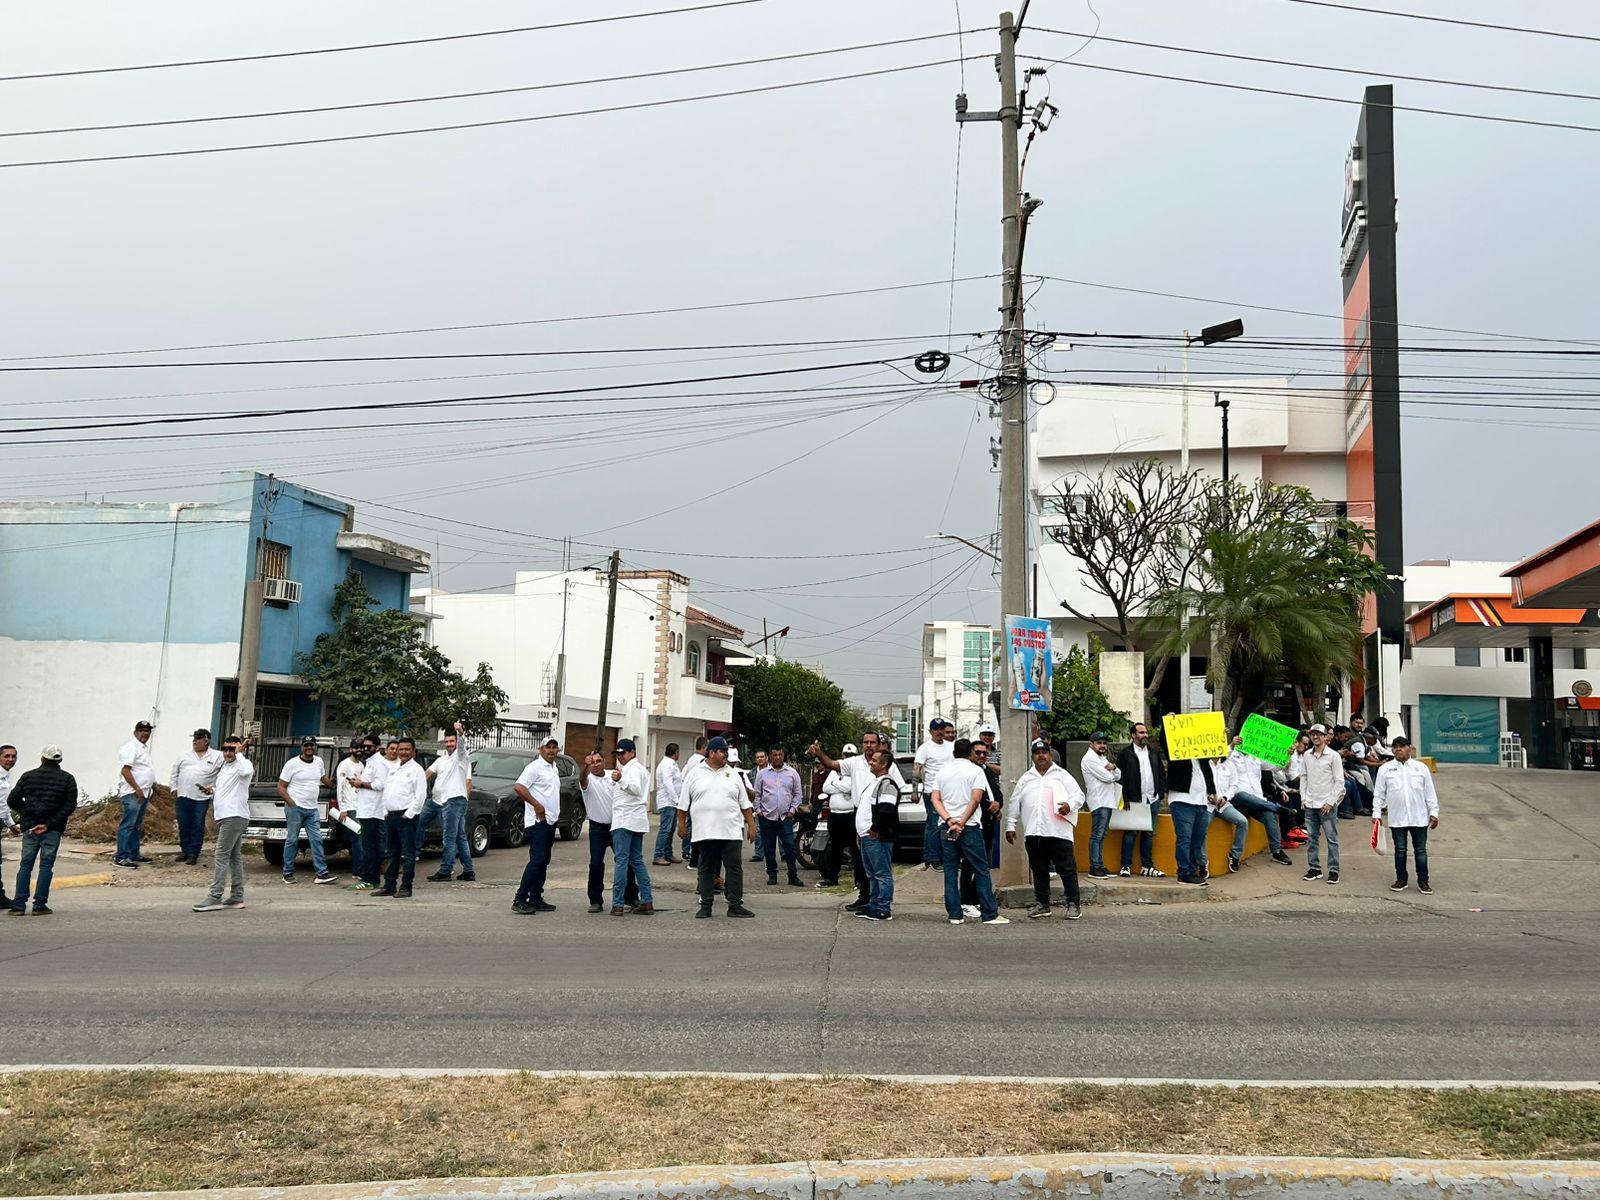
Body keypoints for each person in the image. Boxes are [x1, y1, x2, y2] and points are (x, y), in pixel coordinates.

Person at [809, 732, 906, 913]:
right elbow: (832, 764)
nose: (869, 745)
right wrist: (819, 753)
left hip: (877, 822)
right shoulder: (855, 763)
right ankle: (867, 899)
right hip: (858, 821)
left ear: (879, 744)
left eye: (872, 742)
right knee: (862, 863)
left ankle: (881, 907)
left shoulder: (886, 768)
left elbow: (895, 793)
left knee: (880, 870)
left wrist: (877, 825)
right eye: (865, 742)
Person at [929, 738, 1008, 925]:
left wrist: (949, 820)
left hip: (946, 825)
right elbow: (975, 800)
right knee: (981, 870)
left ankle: (955, 914)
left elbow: (935, 799)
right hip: (970, 826)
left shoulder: (942, 772)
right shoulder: (975, 771)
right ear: (970, 753)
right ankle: (989, 914)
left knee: (950, 871)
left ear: (954, 753)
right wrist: (962, 823)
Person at [677, 737, 756, 918]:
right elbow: (683, 805)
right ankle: (706, 905)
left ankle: (735, 905)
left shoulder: (734, 774)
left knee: (734, 868)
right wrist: (681, 825)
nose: (726, 755)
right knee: (706, 868)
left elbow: (745, 804)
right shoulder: (694, 773)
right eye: (722, 751)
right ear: (711, 752)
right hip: (705, 832)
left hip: (731, 831)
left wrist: (751, 825)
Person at [1006, 738, 1084, 920]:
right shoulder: (1026, 778)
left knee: (1067, 870)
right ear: (1033, 757)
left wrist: (1070, 805)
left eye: (1044, 752)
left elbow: (1079, 795)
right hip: (1034, 832)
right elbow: (1014, 802)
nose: (1041, 756)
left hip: (1058, 832)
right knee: (1039, 870)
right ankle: (1042, 904)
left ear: (1050, 755)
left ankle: (1073, 904)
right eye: (1037, 753)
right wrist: (1010, 825)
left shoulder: (1062, 775)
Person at [8, 744, 78, 916]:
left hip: (30, 827)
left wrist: (26, 813)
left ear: (42, 758)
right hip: (52, 829)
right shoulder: (68, 779)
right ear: (59, 760)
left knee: (25, 865)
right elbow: (69, 806)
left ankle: (19, 905)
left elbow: (12, 800)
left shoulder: (28, 776)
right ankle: (39, 905)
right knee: (46, 866)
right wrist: (48, 824)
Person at [192, 735, 253, 913]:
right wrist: (212, 791)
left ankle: (215, 895)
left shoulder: (243, 764)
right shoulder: (226, 767)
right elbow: (227, 789)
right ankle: (236, 896)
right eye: (225, 749)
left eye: (231, 749)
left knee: (221, 855)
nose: (228, 752)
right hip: (226, 815)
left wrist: (239, 752)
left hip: (234, 815)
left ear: (238, 749)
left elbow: (246, 773)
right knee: (234, 857)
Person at [1373, 736, 1439, 894]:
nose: (1397, 749)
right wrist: (1376, 814)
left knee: (1420, 851)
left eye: (1401, 746)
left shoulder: (1421, 768)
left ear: (1409, 748)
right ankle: (1401, 879)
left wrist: (1434, 812)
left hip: (1419, 817)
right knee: (1400, 850)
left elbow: (1430, 792)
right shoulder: (1385, 769)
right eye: (1395, 746)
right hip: (1397, 818)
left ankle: (1423, 881)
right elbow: (1379, 794)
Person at [1221, 736, 1295, 868]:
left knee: (1269, 814)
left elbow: (1275, 767)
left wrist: (1287, 755)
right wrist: (1232, 745)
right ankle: (1279, 808)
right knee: (1243, 795)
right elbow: (1222, 755)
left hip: (1258, 800)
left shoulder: (1256, 756)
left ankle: (1277, 851)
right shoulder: (1232, 755)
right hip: (1238, 799)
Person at [579, 750, 638, 914]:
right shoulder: (588, 779)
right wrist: (585, 766)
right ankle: (595, 900)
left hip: (617, 826)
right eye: (592, 762)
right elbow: (582, 780)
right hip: (597, 827)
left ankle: (630, 896)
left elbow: (629, 785)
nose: (596, 765)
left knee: (625, 862)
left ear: (604, 761)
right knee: (596, 864)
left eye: (598, 761)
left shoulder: (613, 774)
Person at [512, 737, 563, 914]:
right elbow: (519, 787)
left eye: (554, 747)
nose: (551, 750)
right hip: (537, 821)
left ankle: (535, 897)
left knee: (543, 861)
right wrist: (537, 805)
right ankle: (520, 898)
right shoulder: (534, 767)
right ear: (541, 749)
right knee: (537, 860)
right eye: (547, 747)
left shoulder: (553, 768)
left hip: (550, 821)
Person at [276, 736, 336, 885]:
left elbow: (323, 779)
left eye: (312, 745)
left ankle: (321, 874)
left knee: (316, 840)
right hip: (296, 808)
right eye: (306, 745)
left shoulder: (319, 762)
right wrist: (291, 803)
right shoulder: (292, 764)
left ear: (315, 747)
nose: (309, 748)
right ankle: (287, 873)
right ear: (302, 747)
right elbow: (281, 786)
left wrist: (334, 784)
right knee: (292, 840)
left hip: (312, 808)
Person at [420, 720, 475, 882]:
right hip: (442, 801)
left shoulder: (461, 757)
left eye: (452, 741)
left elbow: (462, 747)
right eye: (447, 742)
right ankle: (468, 871)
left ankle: (445, 870)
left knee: (449, 838)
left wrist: (460, 732)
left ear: (456, 743)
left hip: (453, 801)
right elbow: (425, 774)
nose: (449, 744)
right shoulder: (442, 760)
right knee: (459, 837)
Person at [377, 737, 428, 897]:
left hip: (407, 818)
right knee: (392, 853)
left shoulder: (417, 770)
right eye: (401, 749)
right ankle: (389, 885)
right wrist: (385, 811)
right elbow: (387, 792)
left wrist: (408, 815)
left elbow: (420, 796)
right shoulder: (393, 768)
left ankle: (406, 887)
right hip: (391, 817)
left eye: (407, 749)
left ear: (413, 751)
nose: (403, 752)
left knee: (408, 853)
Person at [1114, 722, 1166, 878]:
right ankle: (1125, 866)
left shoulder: (1153, 753)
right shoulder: (1125, 754)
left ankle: (1147, 866)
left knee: (1149, 833)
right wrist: (1125, 799)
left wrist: (1160, 793)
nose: (1145, 735)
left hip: (1152, 799)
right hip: (1134, 800)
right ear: (1133, 735)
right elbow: (1119, 778)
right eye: (1141, 733)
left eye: (1146, 733)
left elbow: (1161, 774)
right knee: (1131, 832)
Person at [610, 738, 655, 915]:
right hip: (636, 820)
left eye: (622, 753)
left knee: (622, 861)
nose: (619, 756)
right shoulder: (639, 769)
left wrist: (621, 780)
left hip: (624, 820)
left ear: (632, 753)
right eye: (618, 753)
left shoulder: (633, 769)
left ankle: (618, 903)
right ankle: (647, 900)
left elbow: (635, 789)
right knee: (636, 861)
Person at [856, 747, 901, 922]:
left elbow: (887, 810)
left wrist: (874, 829)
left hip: (878, 837)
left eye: (874, 760)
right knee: (872, 874)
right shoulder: (875, 782)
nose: (870, 762)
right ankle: (873, 905)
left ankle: (883, 908)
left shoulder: (887, 784)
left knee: (882, 874)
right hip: (867, 836)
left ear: (883, 764)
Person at [752, 746, 804, 888]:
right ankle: (772, 875)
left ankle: (792, 875)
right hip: (766, 817)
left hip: (785, 817)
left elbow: (798, 794)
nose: (777, 757)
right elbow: (757, 794)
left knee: (789, 847)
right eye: (774, 755)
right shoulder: (762, 774)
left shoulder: (792, 773)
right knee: (769, 848)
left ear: (783, 756)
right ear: (770, 756)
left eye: (779, 754)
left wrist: (792, 810)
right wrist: (758, 810)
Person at [170, 729, 223, 866]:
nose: (194, 741)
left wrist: (214, 788)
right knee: (184, 824)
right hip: (183, 795)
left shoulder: (217, 756)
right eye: (194, 738)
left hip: (201, 798)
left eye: (198, 739)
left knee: (197, 825)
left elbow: (226, 771)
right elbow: (174, 772)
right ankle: (185, 850)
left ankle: (194, 853)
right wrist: (173, 788)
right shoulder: (185, 755)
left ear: (206, 740)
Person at [1299, 723, 1343, 885]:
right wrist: (1304, 798)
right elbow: (1303, 776)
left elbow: (1339, 782)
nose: (1315, 737)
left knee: (1331, 838)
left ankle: (1333, 870)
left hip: (1326, 805)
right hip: (1310, 804)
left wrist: (1330, 802)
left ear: (1326, 737)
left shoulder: (1333, 756)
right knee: (1312, 838)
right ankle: (1314, 868)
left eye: (1319, 734)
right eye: (1313, 734)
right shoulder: (1306, 755)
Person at [964, 739, 1004, 910]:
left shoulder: (987, 772)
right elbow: (972, 799)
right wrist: (991, 806)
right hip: (973, 824)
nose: (981, 756)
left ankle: (978, 898)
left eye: (984, 753)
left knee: (984, 865)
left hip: (988, 824)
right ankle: (967, 900)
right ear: (970, 754)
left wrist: (998, 805)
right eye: (977, 753)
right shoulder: (967, 772)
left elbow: (997, 793)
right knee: (969, 865)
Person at [343, 736, 387, 891]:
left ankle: (370, 879)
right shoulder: (370, 763)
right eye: (364, 746)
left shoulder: (380, 763)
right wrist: (359, 783)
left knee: (369, 847)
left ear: (378, 747)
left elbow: (380, 785)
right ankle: (371, 878)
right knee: (368, 846)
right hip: (366, 809)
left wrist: (361, 783)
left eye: (369, 746)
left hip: (373, 811)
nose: (365, 749)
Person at [1166, 755, 1217, 886]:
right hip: (1181, 800)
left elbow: (1209, 768)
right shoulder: (1176, 751)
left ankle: (1192, 872)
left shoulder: (1201, 755)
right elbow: (1165, 741)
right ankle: (1184, 873)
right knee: (1185, 838)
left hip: (1201, 801)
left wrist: (1211, 791)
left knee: (1198, 839)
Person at [913, 719, 954, 871]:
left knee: (947, 824)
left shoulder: (951, 747)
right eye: (936, 729)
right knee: (934, 825)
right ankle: (934, 858)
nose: (939, 732)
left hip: (949, 792)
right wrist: (915, 791)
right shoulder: (925, 748)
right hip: (931, 791)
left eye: (942, 728)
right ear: (930, 731)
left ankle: (943, 857)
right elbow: (917, 769)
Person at [115, 719, 156, 869]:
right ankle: (122, 856)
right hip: (133, 792)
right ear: (135, 732)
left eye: (147, 731)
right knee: (128, 825)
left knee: (136, 825)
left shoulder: (143, 748)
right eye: (142, 731)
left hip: (143, 792)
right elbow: (125, 770)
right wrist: (137, 789)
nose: (145, 733)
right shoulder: (130, 747)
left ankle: (133, 853)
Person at [1080, 731, 1121, 879]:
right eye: (1099, 743)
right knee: (1097, 835)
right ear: (1092, 745)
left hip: (1107, 801)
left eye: (1104, 743)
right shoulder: (1090, 759)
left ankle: (1099, 865)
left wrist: (1113, 768)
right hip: (1099, 801)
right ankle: (1094, 867)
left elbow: (1118, 775)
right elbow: (1108, 778)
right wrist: (1111, 771)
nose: (1102, 745)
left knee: (1102, 835)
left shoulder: (1101, 758)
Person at [679, 735, 708, 870]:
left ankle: (686, 850)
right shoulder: (701, 761)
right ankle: (691, 852)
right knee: (695, 826)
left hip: (691, 797)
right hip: (697, 798)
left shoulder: (691, 759)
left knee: (691, 825)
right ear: (704, 747)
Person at [652, 742, 683, 865]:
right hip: (668, 801)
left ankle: (668, 854)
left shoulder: (671, 764)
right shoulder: (666, 765)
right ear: (676, 753)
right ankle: (658, 855)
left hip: (673, 802)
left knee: (670, 830)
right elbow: (667, 783)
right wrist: (676, 799)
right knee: (665, 829)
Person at [745, 748, 770, 863]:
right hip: (758, 804)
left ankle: (784, 854)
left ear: (766, 758)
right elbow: (749, 790)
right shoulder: (751, 774)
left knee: (779, 830)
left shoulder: (773, 770)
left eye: (762, 757)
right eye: (758, 757)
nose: (760, 759)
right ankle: (759, 854)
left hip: (773, 804)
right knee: (759, 829)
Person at [0, 744, 17, 909]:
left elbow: (3, 807)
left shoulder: (6, 776)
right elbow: (2, 806)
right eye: (7, 756)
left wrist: (10, 824)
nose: (10, 760)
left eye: (13, 757)